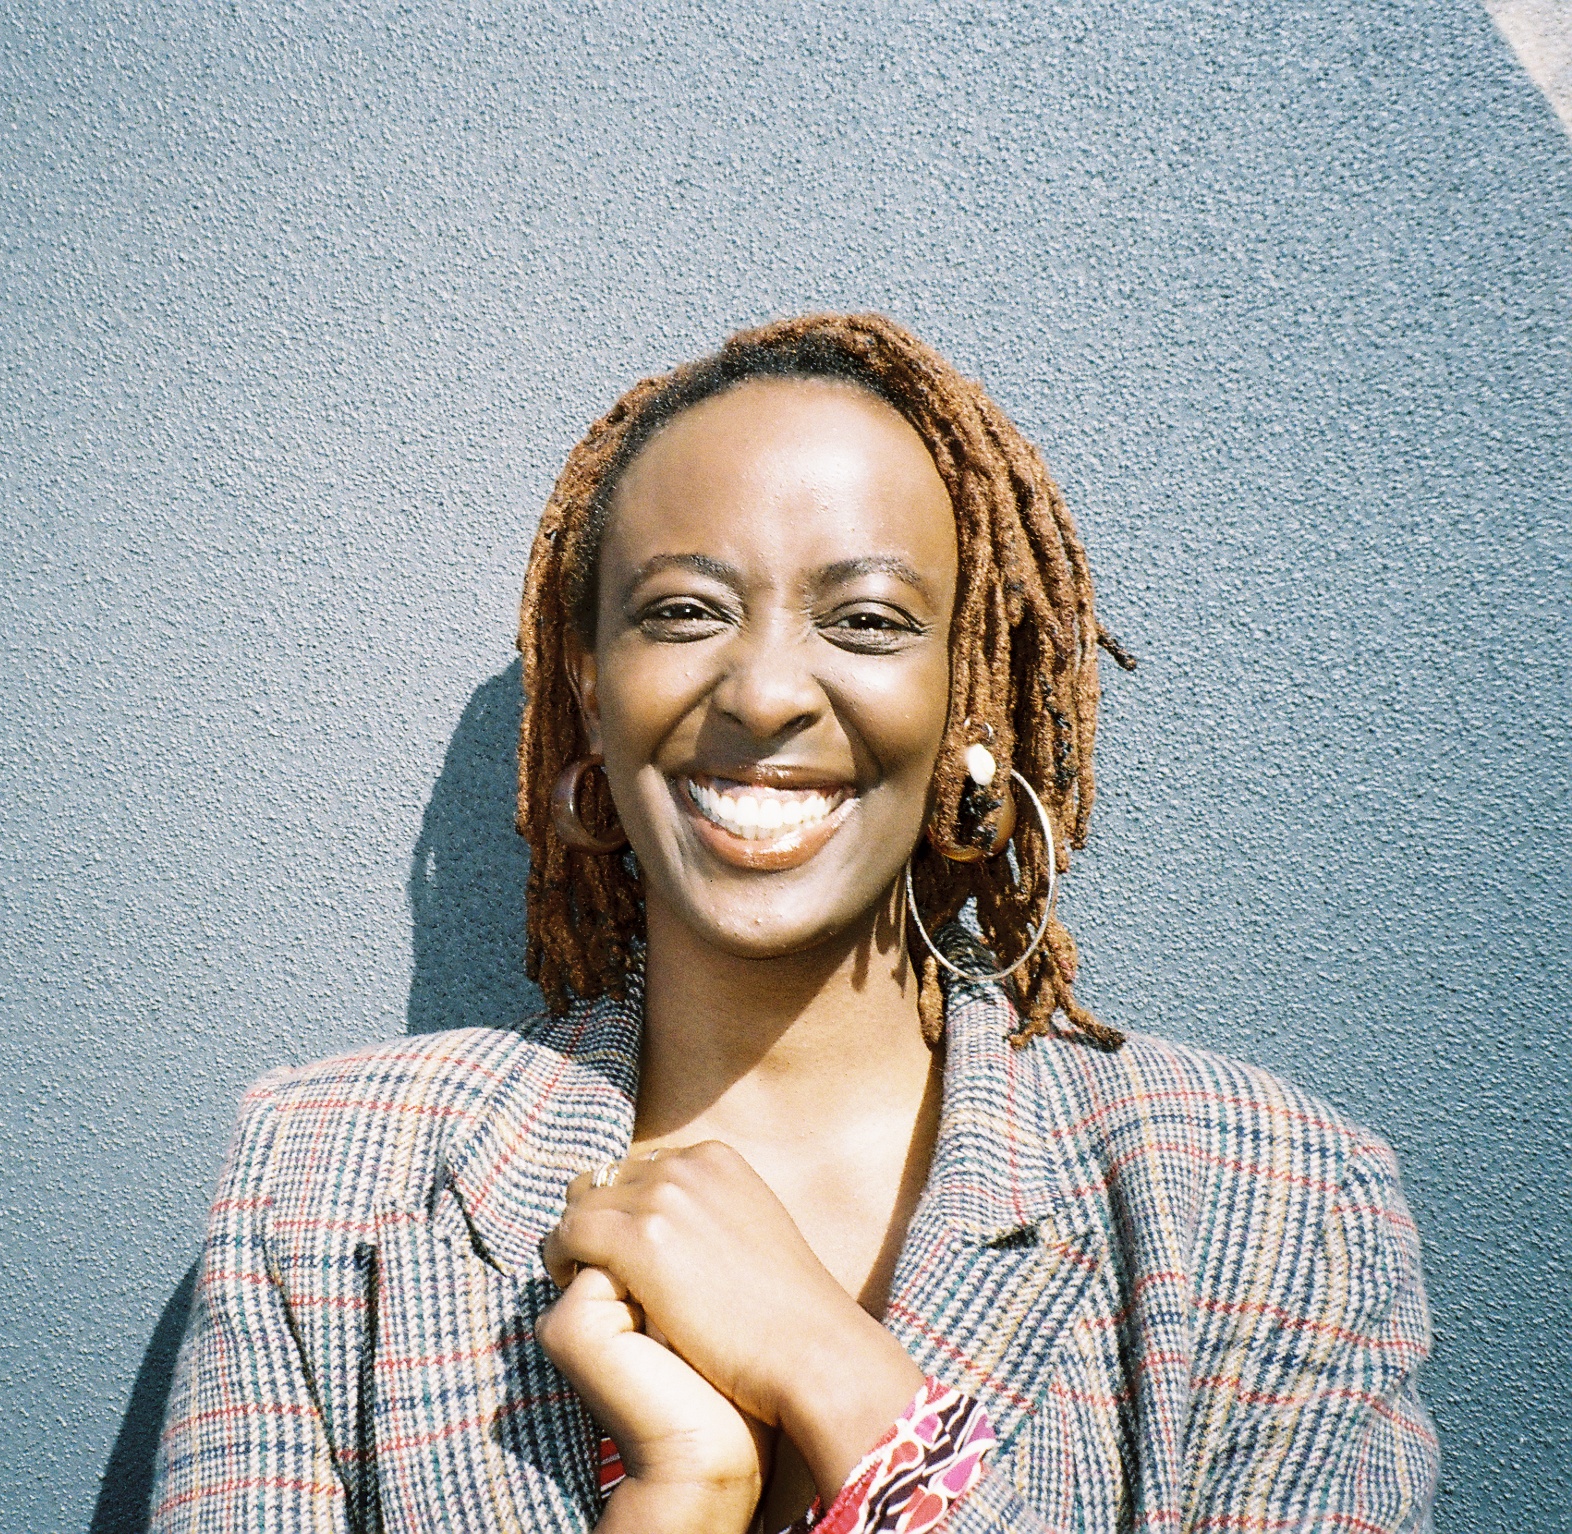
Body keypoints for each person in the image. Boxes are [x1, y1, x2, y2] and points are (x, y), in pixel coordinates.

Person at [146, 314, 1438, 1533]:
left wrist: (848, 1386)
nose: (763, 690)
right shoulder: (326, 1193)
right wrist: (686, 1494)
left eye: (866, 619)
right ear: (590, 695)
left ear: (966, 697)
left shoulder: (1272, 1210)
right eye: (683, 611)